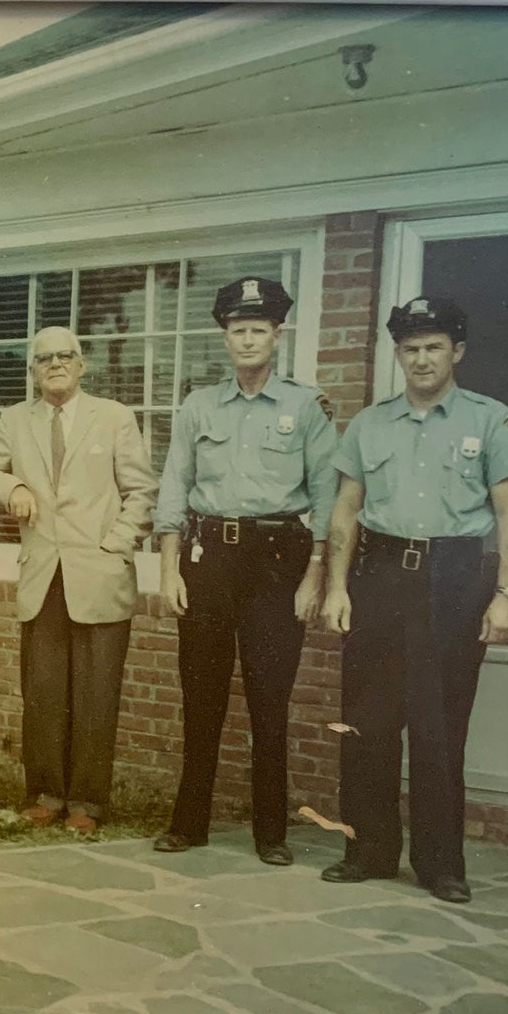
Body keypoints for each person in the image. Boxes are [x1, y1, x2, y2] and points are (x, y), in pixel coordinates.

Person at [320, 294, 508, 904]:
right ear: (398, 354)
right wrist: (337, 585)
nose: (421, 358)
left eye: (433, 346)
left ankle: (442, 865)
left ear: (457, 352)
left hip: (455, 578)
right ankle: (368, 851)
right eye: (410, 348)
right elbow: (346, 509)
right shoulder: (370, 424)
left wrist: (507, 593)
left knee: (440, 727)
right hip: (380, 573)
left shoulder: (489, 421)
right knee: (368, 722)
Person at [153, 275, 338, 865]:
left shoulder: (305, 407)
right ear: (225, 338)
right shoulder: (198, 405)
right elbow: (174, 487)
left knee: (269, 699)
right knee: (200, 695)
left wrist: (315, 574)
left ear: (276, 335)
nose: (248, 340)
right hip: (207, 559)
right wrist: (168, 567)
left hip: (277, 563)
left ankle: (271, 832)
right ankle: (189, 823)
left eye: (259, 329)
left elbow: (328, 497)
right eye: (238, 331)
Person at [0, 327, 157, 835]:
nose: (55, 365)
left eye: (65, 356)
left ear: (82, 364)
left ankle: (87, 805)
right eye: (44, 358)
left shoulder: (113, 417)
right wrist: (14, 485)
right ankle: (45, 795)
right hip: (42, 574)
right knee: (44, 693)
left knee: (95, 697)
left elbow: (141, 491)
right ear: (33, 370)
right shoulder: (15, 420)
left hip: (99, 574)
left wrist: (115, 544)